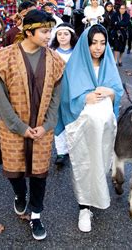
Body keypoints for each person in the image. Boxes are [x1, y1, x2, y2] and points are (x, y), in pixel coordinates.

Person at [0, 9, 65, 241]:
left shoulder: (55, 61)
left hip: (42, 129)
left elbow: (56, 98)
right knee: (15, 172)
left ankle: (36, 215)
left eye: (50, 30)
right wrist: (20, 127)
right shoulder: (4, 58)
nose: (48, 35)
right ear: (28, 32)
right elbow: (0, 100)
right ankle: (20, 195)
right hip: (13, 128)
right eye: (44, 31)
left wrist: (47, 124)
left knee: (40, 175)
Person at [56, 24, 124, 233]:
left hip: (103, 129)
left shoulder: (108, 64)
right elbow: (65, 97)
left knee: (100, 162)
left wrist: (109, 92)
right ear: (85, 44)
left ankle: (97, 197)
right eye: (93, 43)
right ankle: (84, 207)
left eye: (102, 43)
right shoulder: (74, 66)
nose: (98, 48)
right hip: (82, 126)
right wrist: (85, 97)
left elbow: (117, 91)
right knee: (84, 163)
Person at [49, 23, 77, 167]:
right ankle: (61, 152)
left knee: (73, 120)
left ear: (71, 35)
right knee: (58, 121)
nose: (62, 37)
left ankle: (73, 149)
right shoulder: (51, 52)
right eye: (59, 34)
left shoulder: (78, 53)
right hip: (57, 92)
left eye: (66, 34)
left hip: (74, 92)